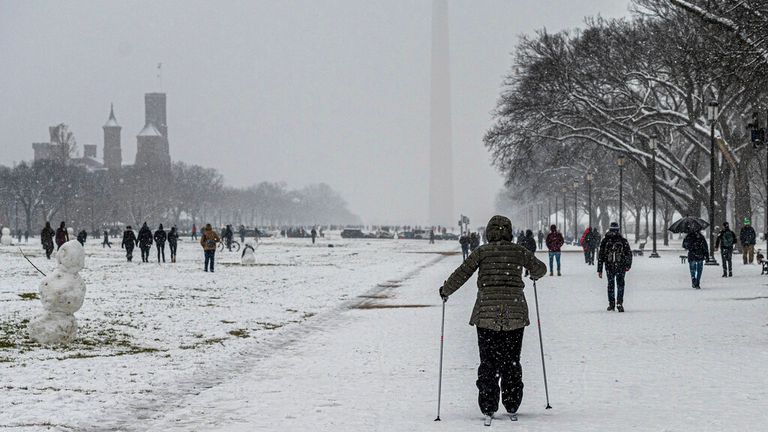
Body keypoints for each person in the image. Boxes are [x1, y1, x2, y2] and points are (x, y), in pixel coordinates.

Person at [439, 215, 547, 420]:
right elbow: (540, 268)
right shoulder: (519, 252)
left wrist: (446, 290)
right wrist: (533, 275)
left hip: (486, 316)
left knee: (488, 362)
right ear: (509, 231)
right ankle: (512, 402)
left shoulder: (482, 252)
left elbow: (462, 273)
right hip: (515, 316)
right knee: (512, 360)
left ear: (489, 232)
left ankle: (488, 404)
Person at [597, 222, 632, 312]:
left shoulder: (605, 240)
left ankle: (611, 304)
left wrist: (599, 270)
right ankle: (619, 303)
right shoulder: (623, 240)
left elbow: (600, 256)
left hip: (609, 266)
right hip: (621, 266)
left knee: (610, 285)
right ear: (618, 229)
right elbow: (629, 254)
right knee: (620, 285)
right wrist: (628, 265)